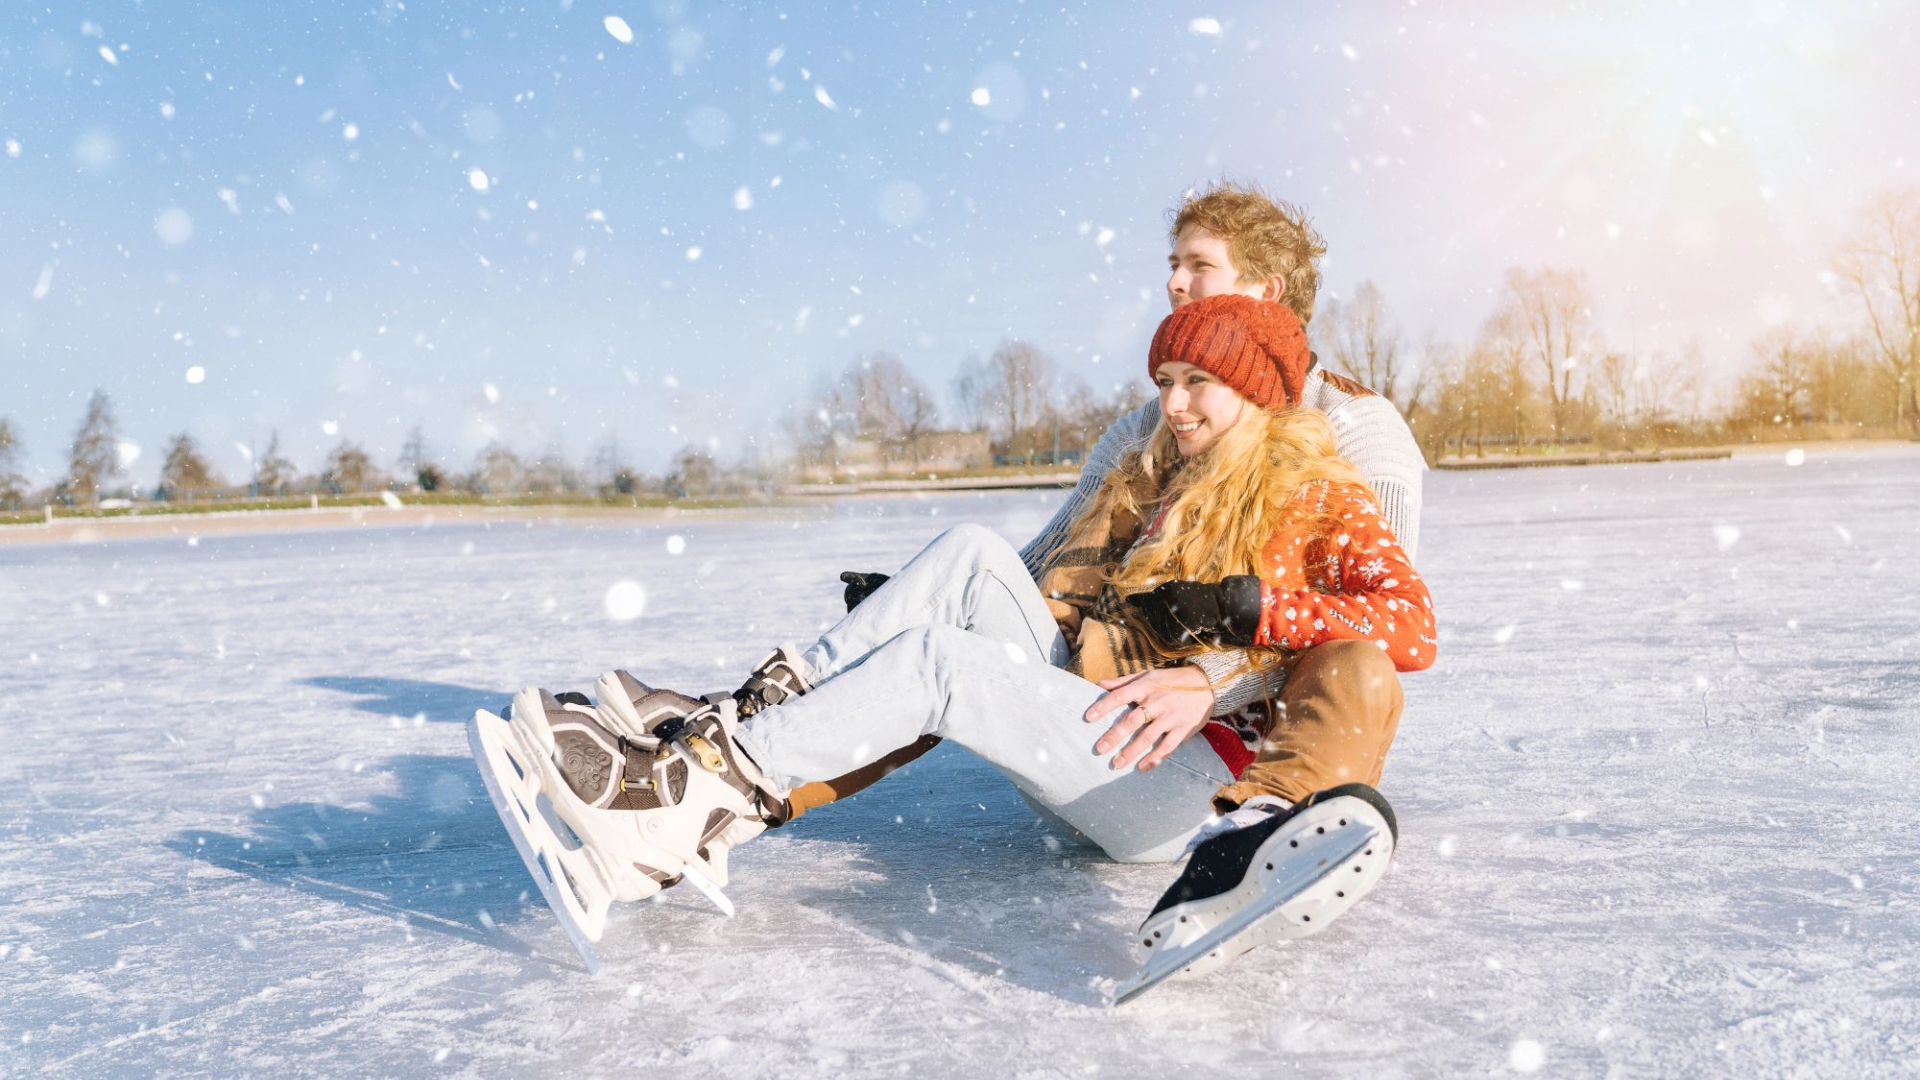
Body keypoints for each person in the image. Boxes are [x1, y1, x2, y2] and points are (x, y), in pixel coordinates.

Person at [470, 293, 1438, 984]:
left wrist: (1239, 632)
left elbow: (1409, 625)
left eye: (1199, 383)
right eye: (1167, 381)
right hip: (1097, 732)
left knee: (942, 667)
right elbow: (1047, 591)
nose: (1174, 404)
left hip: (1178, 788)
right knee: (974, 556)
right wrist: (895, 613)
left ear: (1259, 390)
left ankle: (676, 805)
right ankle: (730, 745)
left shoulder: (1321, 498)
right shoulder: (1166, 483)